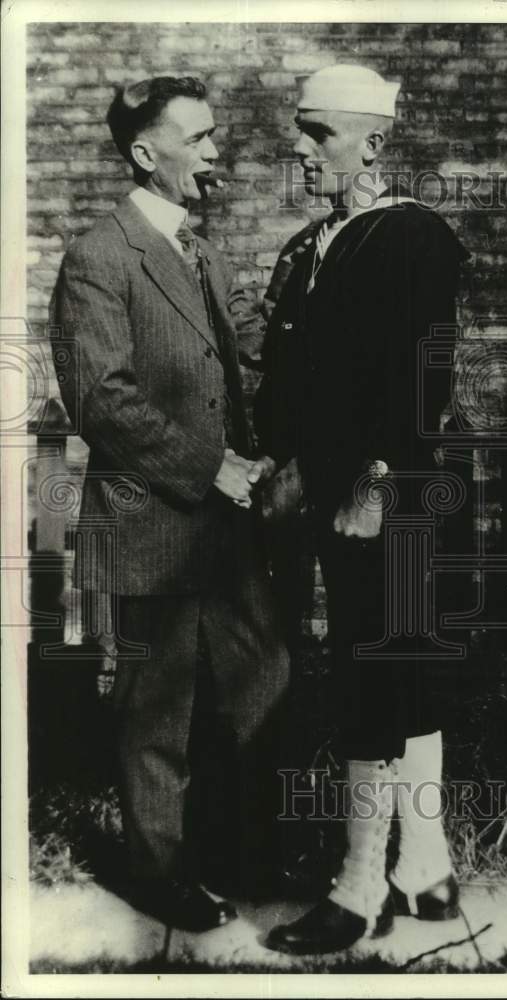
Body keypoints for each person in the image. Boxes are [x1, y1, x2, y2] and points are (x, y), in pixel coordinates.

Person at [49, 76, 289, 932]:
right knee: (157, 714)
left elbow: (256, 352)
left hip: (227, 531)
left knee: (263, 682)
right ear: (148, 155)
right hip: (153, 523)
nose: (218, 152)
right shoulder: (99, 259)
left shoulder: (206, 253)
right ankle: (160, 876)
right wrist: (210, 466)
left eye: (215, 136)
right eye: (201, 138)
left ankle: (230, 855)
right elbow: (101, 399)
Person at [255, 64, 469, 954]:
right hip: (346, 490)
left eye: (319, 135)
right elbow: (304, 381)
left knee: (371, 680)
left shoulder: (408, 237)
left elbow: (423, 376)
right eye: (299, 134)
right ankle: (425, 872)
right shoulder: (318, 244)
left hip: (391, 497)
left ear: (373, 143)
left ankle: (357, 892)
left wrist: (373, 483)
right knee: (399, 676)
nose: (301, 153)